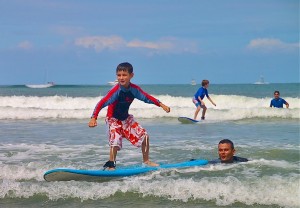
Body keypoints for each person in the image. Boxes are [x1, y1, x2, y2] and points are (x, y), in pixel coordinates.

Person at [88, 62, 170, 170]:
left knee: (144, 136)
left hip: (126, 119)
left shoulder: (134, 89)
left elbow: (146, 97)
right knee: (115, 139)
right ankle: (111, 164)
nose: (121, 78)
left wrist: (161, 104)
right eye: (119, 75)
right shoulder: (115, 91)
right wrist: (94, 117)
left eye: (124, 75)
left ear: (131, 75)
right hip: (113, 118)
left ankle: (146, 161)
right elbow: (102, 103)